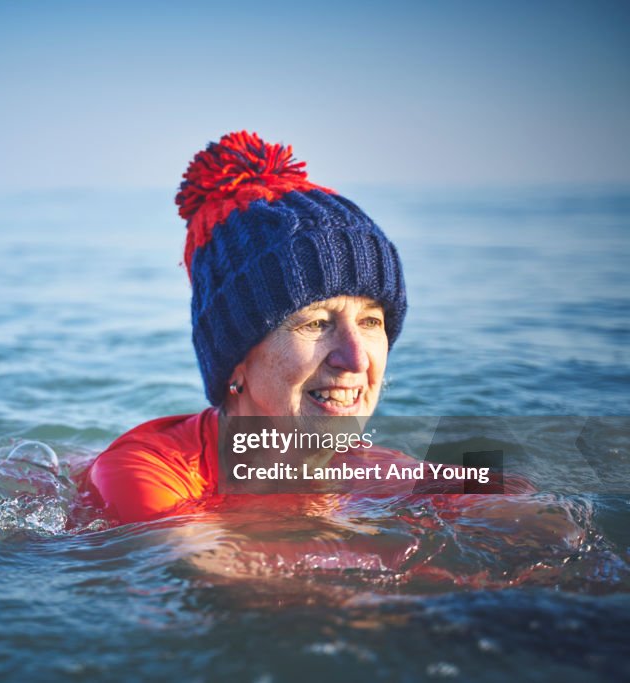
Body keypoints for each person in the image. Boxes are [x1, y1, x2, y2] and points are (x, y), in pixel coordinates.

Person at [80, 131, 413, 525]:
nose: (356, 359)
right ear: (236, 359)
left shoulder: (388, 475)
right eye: (317, 323)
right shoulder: (143, 474)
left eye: (371, 321)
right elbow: (215, 574)